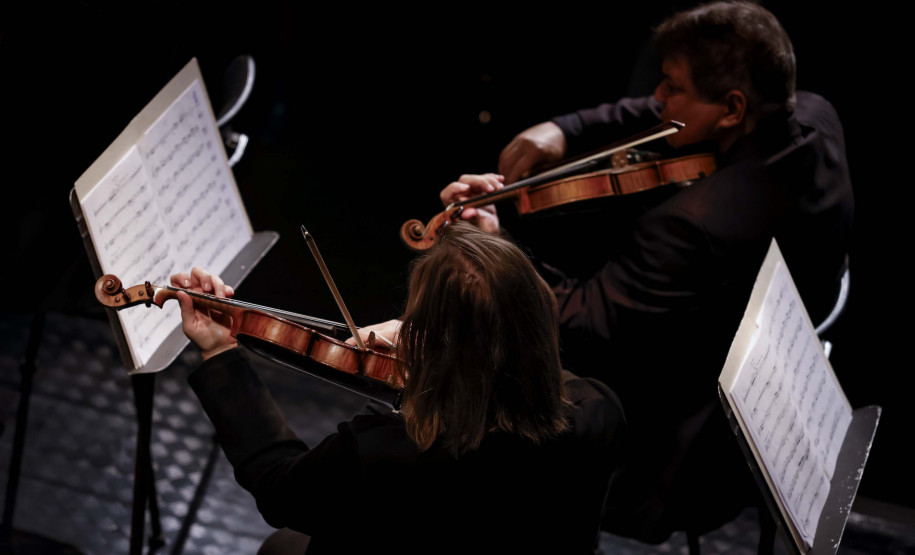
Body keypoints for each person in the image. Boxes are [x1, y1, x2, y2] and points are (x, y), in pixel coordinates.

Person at [440, 0, 854, 544]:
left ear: (732, 108)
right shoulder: (816, 117)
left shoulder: (696, 223)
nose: (657, 98)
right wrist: (565, 129)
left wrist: (496, 249)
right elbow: (656, 116)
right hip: (777, 323)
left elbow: (581, 322)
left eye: (673, 87)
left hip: (673, 428)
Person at [170, 221, 626, 554]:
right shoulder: (599, 410)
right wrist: (442, 359)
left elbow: (278, 489)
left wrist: (219, 352)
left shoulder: (388, 452)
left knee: (280, 549)